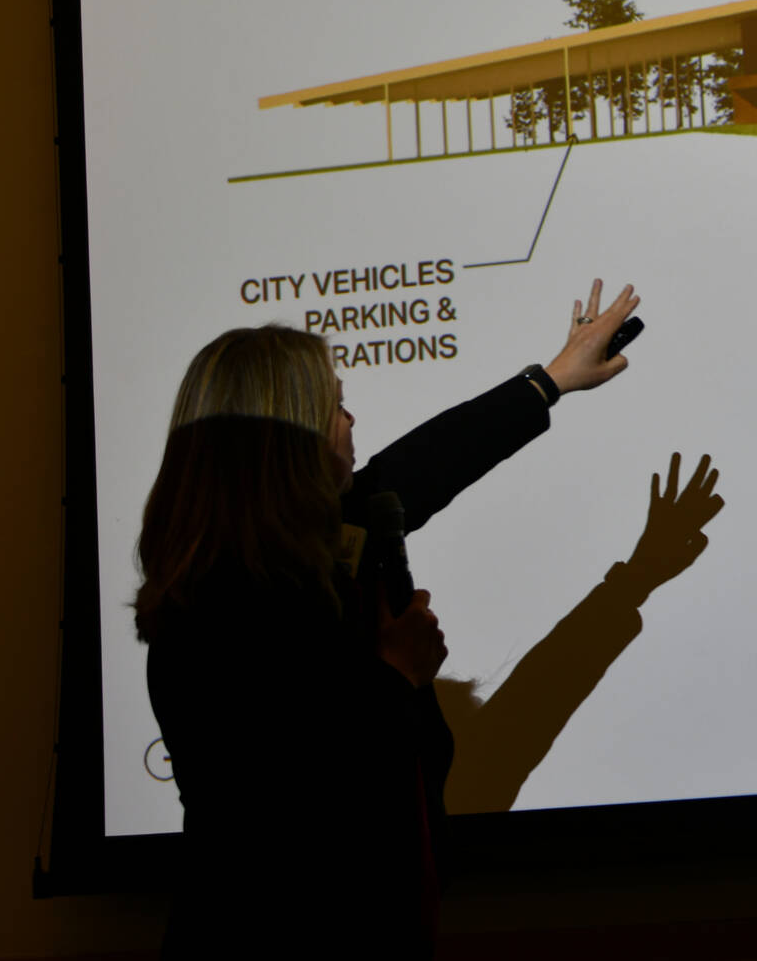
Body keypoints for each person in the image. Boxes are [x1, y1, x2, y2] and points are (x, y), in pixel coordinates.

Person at [133, 281, 723, 958]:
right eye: (336, 406)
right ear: (281, 444)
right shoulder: (213, 614)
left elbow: (427, 463)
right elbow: (289, 818)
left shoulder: (313, 556)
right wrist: (394, 677)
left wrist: (553, 379)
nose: (353, 421)